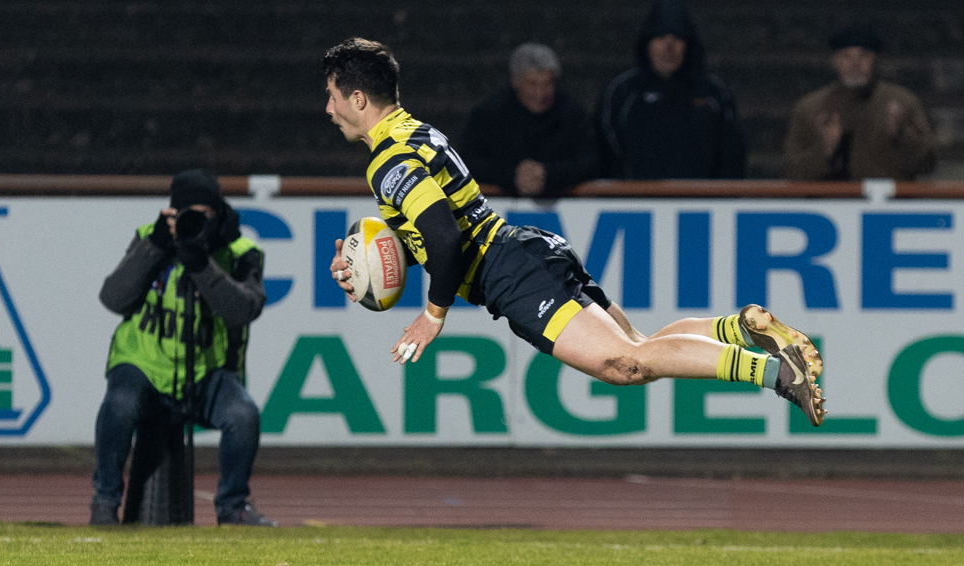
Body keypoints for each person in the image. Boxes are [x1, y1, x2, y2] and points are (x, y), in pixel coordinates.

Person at [321, 38, 826, 431]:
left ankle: (778, 373)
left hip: (509, 272)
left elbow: (446, 239)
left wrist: (432, 315)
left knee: (626, 365)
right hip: (522, 252)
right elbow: (436, 231)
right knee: (638, 346)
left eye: (332, 95)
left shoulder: (389, 160)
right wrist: (368, 262)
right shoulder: (414, 132)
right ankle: (742, 329)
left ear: (357, 97)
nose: (328, 108)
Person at [91, 169, 276, 527]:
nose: (196, 223)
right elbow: (113, 298)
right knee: (119, 406)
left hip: (208, 371)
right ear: (172, 213)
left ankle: (232, 506)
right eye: (188, 215)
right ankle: (104, 502)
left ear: (218, 213)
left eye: (204, 215)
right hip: (142, 362)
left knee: (243, 416)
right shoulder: (151, 236)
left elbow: (243, 311)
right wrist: (154, 248)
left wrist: (201, 265)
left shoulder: (240, 252)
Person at [595, 0, 745, 179]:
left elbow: (732, 153)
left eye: (678, 38)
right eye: (660, 37)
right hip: (636, 195)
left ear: (688, 45)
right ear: (647, 44)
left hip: (700, 195)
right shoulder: (622, 92)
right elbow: (606, 151)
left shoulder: (712, 92)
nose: (669, 47)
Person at [784, 24, 935, 181]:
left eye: (864, 55)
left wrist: (902, 133)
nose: (855, 63)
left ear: (874, 60)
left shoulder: (903, 102)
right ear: (836, 61)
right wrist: (825, 148)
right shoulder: (810, 107)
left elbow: (927, 164)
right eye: (846, 56)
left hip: (889, 196)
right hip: (832, 196)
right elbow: (794, 171)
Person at [458, 42, 598, 197]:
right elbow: (469, 162)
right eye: (532, 84)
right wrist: (512, 175)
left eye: (547, 84)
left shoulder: (572, 116)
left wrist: (548, 174)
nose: (540, 93)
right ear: (515, 81)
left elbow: (590, 162)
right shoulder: (489, 116)